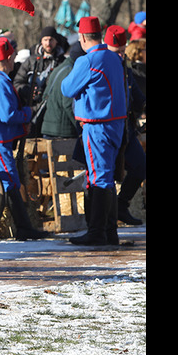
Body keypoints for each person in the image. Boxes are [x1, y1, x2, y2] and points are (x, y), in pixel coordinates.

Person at [0, 37, 50, 241]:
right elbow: (7, 115)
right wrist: (27, 113)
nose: (15, 59)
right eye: (12, 55)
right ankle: (24, 228)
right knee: (11, 182)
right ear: (6, 58)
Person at [61, 17, 127, 246]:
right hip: (116, 124)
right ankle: (110, 231)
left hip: (97, 125)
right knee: (106, 177)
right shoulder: (113, 56)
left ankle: (97, 231)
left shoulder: (87, 60)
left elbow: (66, 88)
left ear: (81, 37)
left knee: (100, 178)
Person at [105, 26, 147, 226]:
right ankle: (103, 220)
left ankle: (122, 205)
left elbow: (139, 99)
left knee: (141, 166)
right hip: (106, 129)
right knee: (103, 177)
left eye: (122, 51)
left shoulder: (126, 70)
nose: (120, 55)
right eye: (116, 51)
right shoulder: (101, 66)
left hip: (126, 129)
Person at [13, 26, 66, 126]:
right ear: (41, 41)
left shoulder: (62, 63)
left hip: (53, 113)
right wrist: (29, 91)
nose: (48, 43)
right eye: (45, 40)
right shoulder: (31, 61)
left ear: (56, 41)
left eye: (51, 40)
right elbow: (17, 82)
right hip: (31, 111)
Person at [40, 43, 85, 139]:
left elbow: (45, 95)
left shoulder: (59, 69)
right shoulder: (71, 72)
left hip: (49, 127)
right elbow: (68, 104)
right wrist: (80, 127)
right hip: (63, 131)